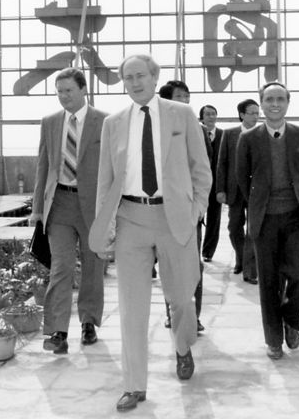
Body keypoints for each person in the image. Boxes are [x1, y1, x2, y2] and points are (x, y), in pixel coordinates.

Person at [89, 54, 211, 412]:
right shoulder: (113, 123)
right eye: (128, 77)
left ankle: (183, 346)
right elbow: (105, 180)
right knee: (131, 306)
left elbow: (201, 170)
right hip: (131, 218)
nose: (135, 82)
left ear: (155, 77)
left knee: (182, 298)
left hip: (175, 219)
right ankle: (134, 385)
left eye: (140, 75)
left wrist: (195, 211)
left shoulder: (181, 114)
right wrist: (105, 225)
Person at [31, 67, 107, 355]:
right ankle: (58, 331)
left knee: (92, 266)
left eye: (69, 91)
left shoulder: (105, 121)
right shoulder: (50, 122)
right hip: (59, 203)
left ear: (83, 89)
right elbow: (43, 165)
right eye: (59, 92)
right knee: (60, 268)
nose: (63, 96)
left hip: (93, 206)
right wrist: (38, 209)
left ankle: (88, 322)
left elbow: (113, 166)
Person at [235, 82, 299, 361]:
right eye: (269, 99)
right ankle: (274, 340)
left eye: (280, 99)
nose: (275, 104)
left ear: (288, 103)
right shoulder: (249, 138)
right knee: (268, 282)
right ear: (261, 104)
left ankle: (291, 320)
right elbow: (242, 178)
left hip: (294, 217)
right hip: (265, 219)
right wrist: (259, 203)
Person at [159, 81, 209, 334]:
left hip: (187, 209)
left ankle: (193, 316)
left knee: (192, 265)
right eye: (180, 97)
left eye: (187, 97)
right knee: (167, 264)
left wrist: (199, 206)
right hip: (157, 209)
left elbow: (203, 168)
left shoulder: (196, 128)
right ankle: (173, 311)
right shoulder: (152, 127)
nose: (185, 101)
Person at [215, 99, 260, 283]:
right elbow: (222, 163)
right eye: (252, 113)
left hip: (256, 190)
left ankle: (250, 270)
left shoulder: (263, 134)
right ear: (242, 114)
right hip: (234, 189)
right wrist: (220, 189)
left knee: (253, 230)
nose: (256, 116)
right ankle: (241, 258)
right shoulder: (230, 134)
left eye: (257, 113)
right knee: (234, 227)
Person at [199, 104, 223, 262]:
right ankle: (195, 248)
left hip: (216, 184)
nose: (211, 117)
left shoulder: (223, 135)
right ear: (202, 117)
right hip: (199, 183)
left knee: (214, 219)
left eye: (213, 113)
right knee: (197, 217)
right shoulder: (195, 133)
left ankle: (208, 252)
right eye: (207, 114)